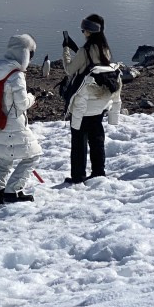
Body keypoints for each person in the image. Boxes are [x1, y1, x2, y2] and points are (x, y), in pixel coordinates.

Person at [61, 13, 122, 184]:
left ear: (89, 31)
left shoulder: (85, 51)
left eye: (84, 29)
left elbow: (70, 69)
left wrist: (66, 49)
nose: (82, 32)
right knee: (97, 139)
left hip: (83, 104)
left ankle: (78, 176)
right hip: (100, 103)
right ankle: (98, 172)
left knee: (79, 141)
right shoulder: (105, 50)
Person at [0, 34, 43, 205]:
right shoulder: (16, 75)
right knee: (33, 155)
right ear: (24, 53)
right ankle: (13, 190)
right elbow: (21, 103)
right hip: (14, 124)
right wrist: (33, 97)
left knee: (5, 159)